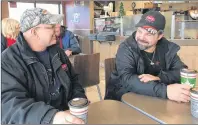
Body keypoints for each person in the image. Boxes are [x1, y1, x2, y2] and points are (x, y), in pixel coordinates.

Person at [1, 8, 86, 124]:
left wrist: (79, 102)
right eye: (50, 26)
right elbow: (10, 105)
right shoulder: (8, 61)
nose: (56, 30)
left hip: (67, 118)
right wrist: (51, 117)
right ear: (34, 32)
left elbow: (73, 80)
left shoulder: (57, 52)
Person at [105, 11, 191, 103]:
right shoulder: (127, 48)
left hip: (153, 100)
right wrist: (165, 91)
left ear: (160, 36)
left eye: (148, 34)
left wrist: (160, 78)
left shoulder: (167, 49)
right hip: (122, 100)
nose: (141, 37)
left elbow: (181, 72)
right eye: (140, 31)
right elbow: (128, 79)